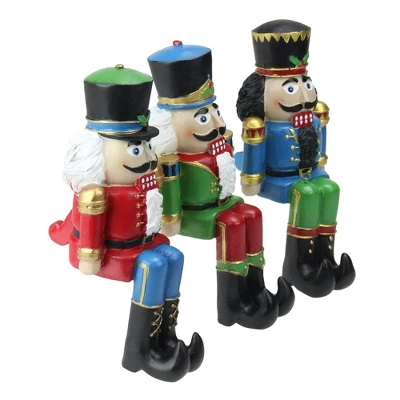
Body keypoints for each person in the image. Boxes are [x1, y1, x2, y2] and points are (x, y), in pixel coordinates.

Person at [49, 64, 203, 382]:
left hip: (143, 243)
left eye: (146, 146)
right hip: (115, 252)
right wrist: (89, 258)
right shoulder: (96, 193)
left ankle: (165, 335)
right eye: (136, 149)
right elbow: (86, 226)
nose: (147, 157)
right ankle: (139, 350)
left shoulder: (146, 184)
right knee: (153, 266)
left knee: (175, 257)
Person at [148, 41, 294, 330]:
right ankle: (231, 301)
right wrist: (170, 220)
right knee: (233, 224)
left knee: (252, 214)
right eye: (203, 117)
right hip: (195, 214)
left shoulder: (219, 147)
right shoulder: (172, 160)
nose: (215, 121)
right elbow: (170, 195)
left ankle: (255, 287)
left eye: (214, 110)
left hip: (223, 203)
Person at [235, 20, 356, 297]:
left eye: (306, 84)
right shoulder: (262, 127)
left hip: (310, 172)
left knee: (330, 188)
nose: (304, 95)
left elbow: (320, 146)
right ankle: (299, 262)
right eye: (291, 88)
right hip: (278, 180)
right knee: (307, 194)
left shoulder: (312, 119)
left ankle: (325, 255)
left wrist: (320, 164)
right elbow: (254, 156)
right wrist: (251, 181)